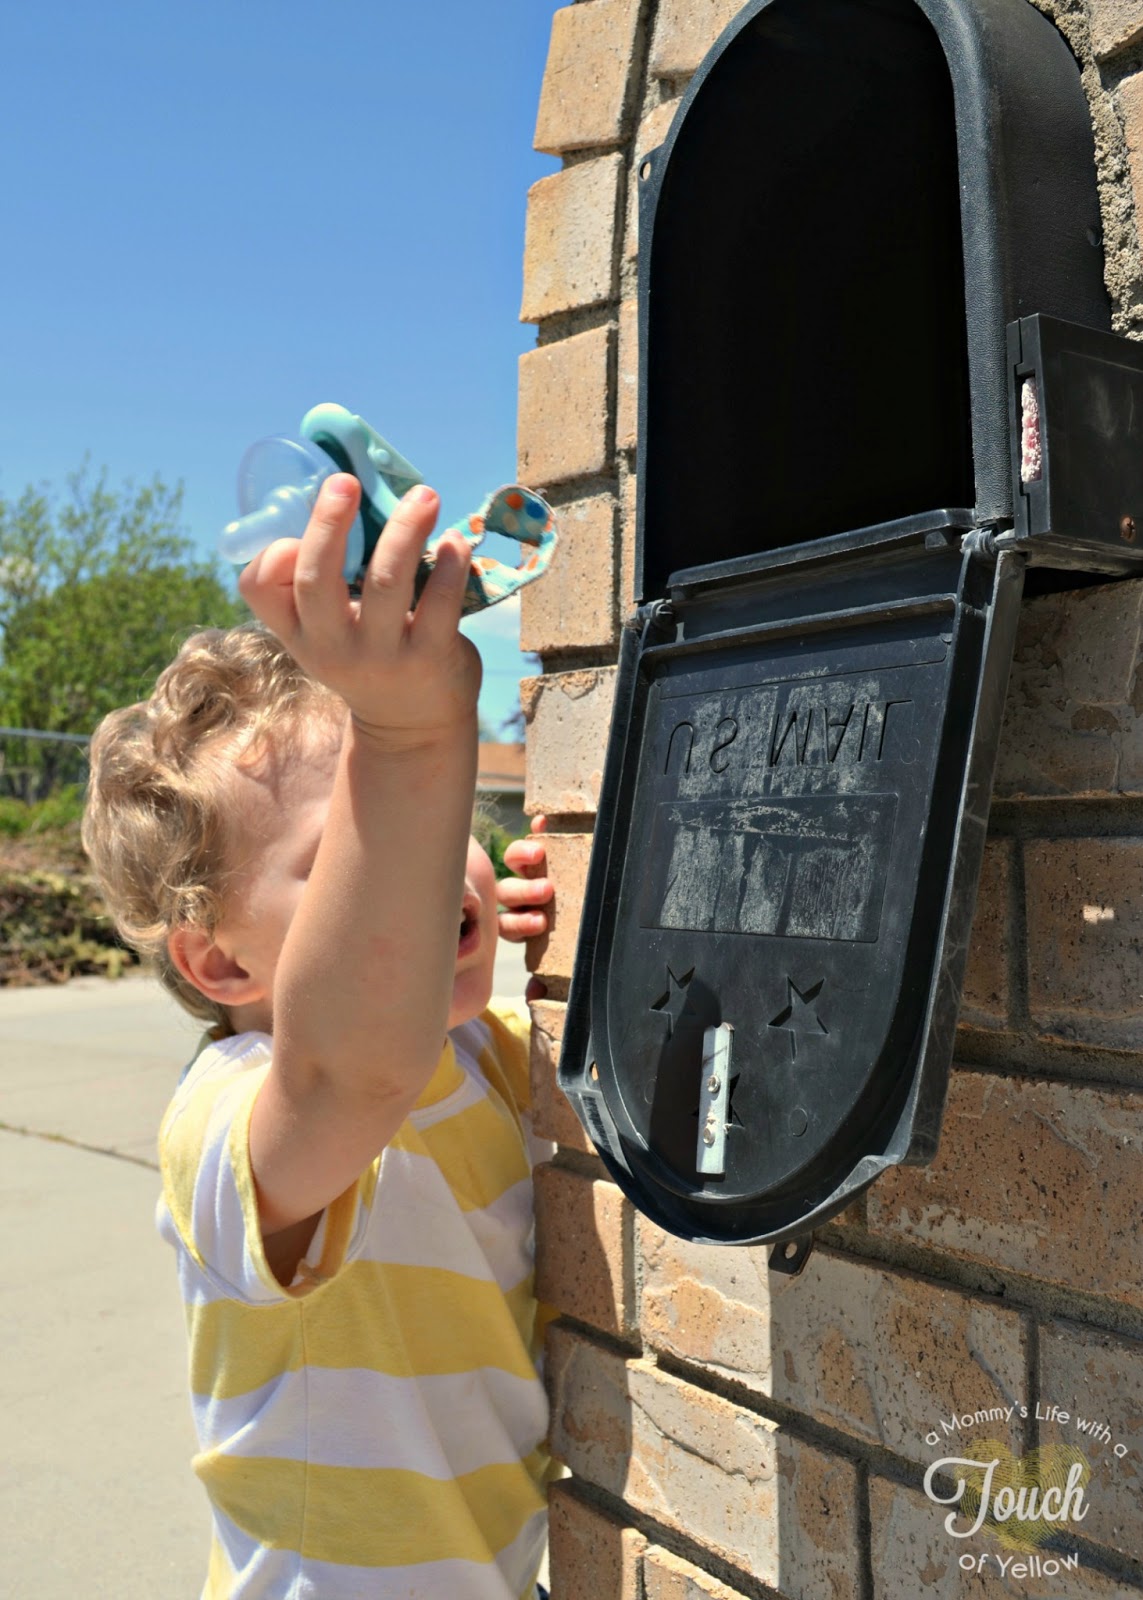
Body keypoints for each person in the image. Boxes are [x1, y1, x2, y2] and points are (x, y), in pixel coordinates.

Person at [81, 474, 557, 1599]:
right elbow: (356, 1061)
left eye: (444, 821)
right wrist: (405, 734)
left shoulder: (484, 1047)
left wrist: (569, 924)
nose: (433, 854)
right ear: (221, 961)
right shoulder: (228, 1116)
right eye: (356, 839)